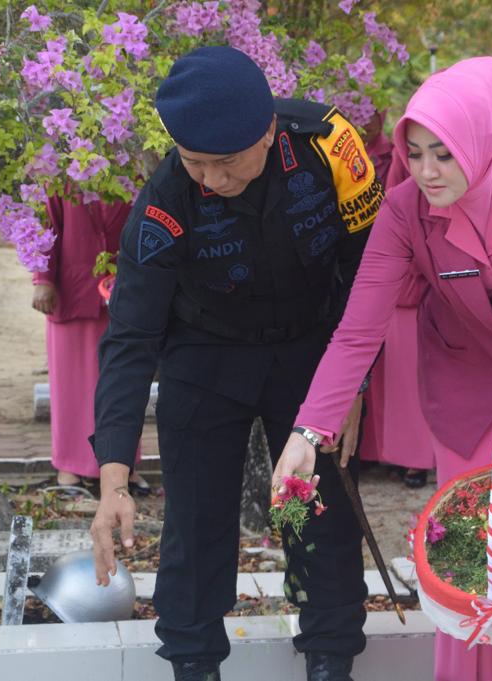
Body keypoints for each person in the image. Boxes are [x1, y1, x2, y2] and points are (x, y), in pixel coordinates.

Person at [273, 56, 492, 681]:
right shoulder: (406, 210)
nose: (426, 171)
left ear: (483, 140)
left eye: (443, 153)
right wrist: (307, 432)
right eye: (415, 152)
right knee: (464, 556)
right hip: (462, 394)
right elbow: (359, 329)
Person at [89, 46, 385, 681]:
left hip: (314, 352)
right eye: (194, 161)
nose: (209, 180)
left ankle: (331, 658)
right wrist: (113, 478)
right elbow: (131, 336)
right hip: (205, 355)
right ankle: (194, 663)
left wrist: (349, 386)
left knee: (318, 513)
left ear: (270, 130)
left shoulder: (330, 145)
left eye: (225, 164)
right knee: (196, 524)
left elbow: (369, 272)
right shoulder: (167, 199)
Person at [32, 196, 146, 494]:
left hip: (125, 290)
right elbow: (46, 222)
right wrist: (43, 279)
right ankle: (69, 466)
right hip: (73, 287)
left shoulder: (135, 160)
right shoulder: (57, 166)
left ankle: (125, 467)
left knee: (124, 381)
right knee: (71, 385)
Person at [356, 110, 435, 489]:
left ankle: (415, 460)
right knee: (380, 375)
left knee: (408, 376)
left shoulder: (402, 156)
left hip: (411, 280)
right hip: (377, 274)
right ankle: (380, 452)